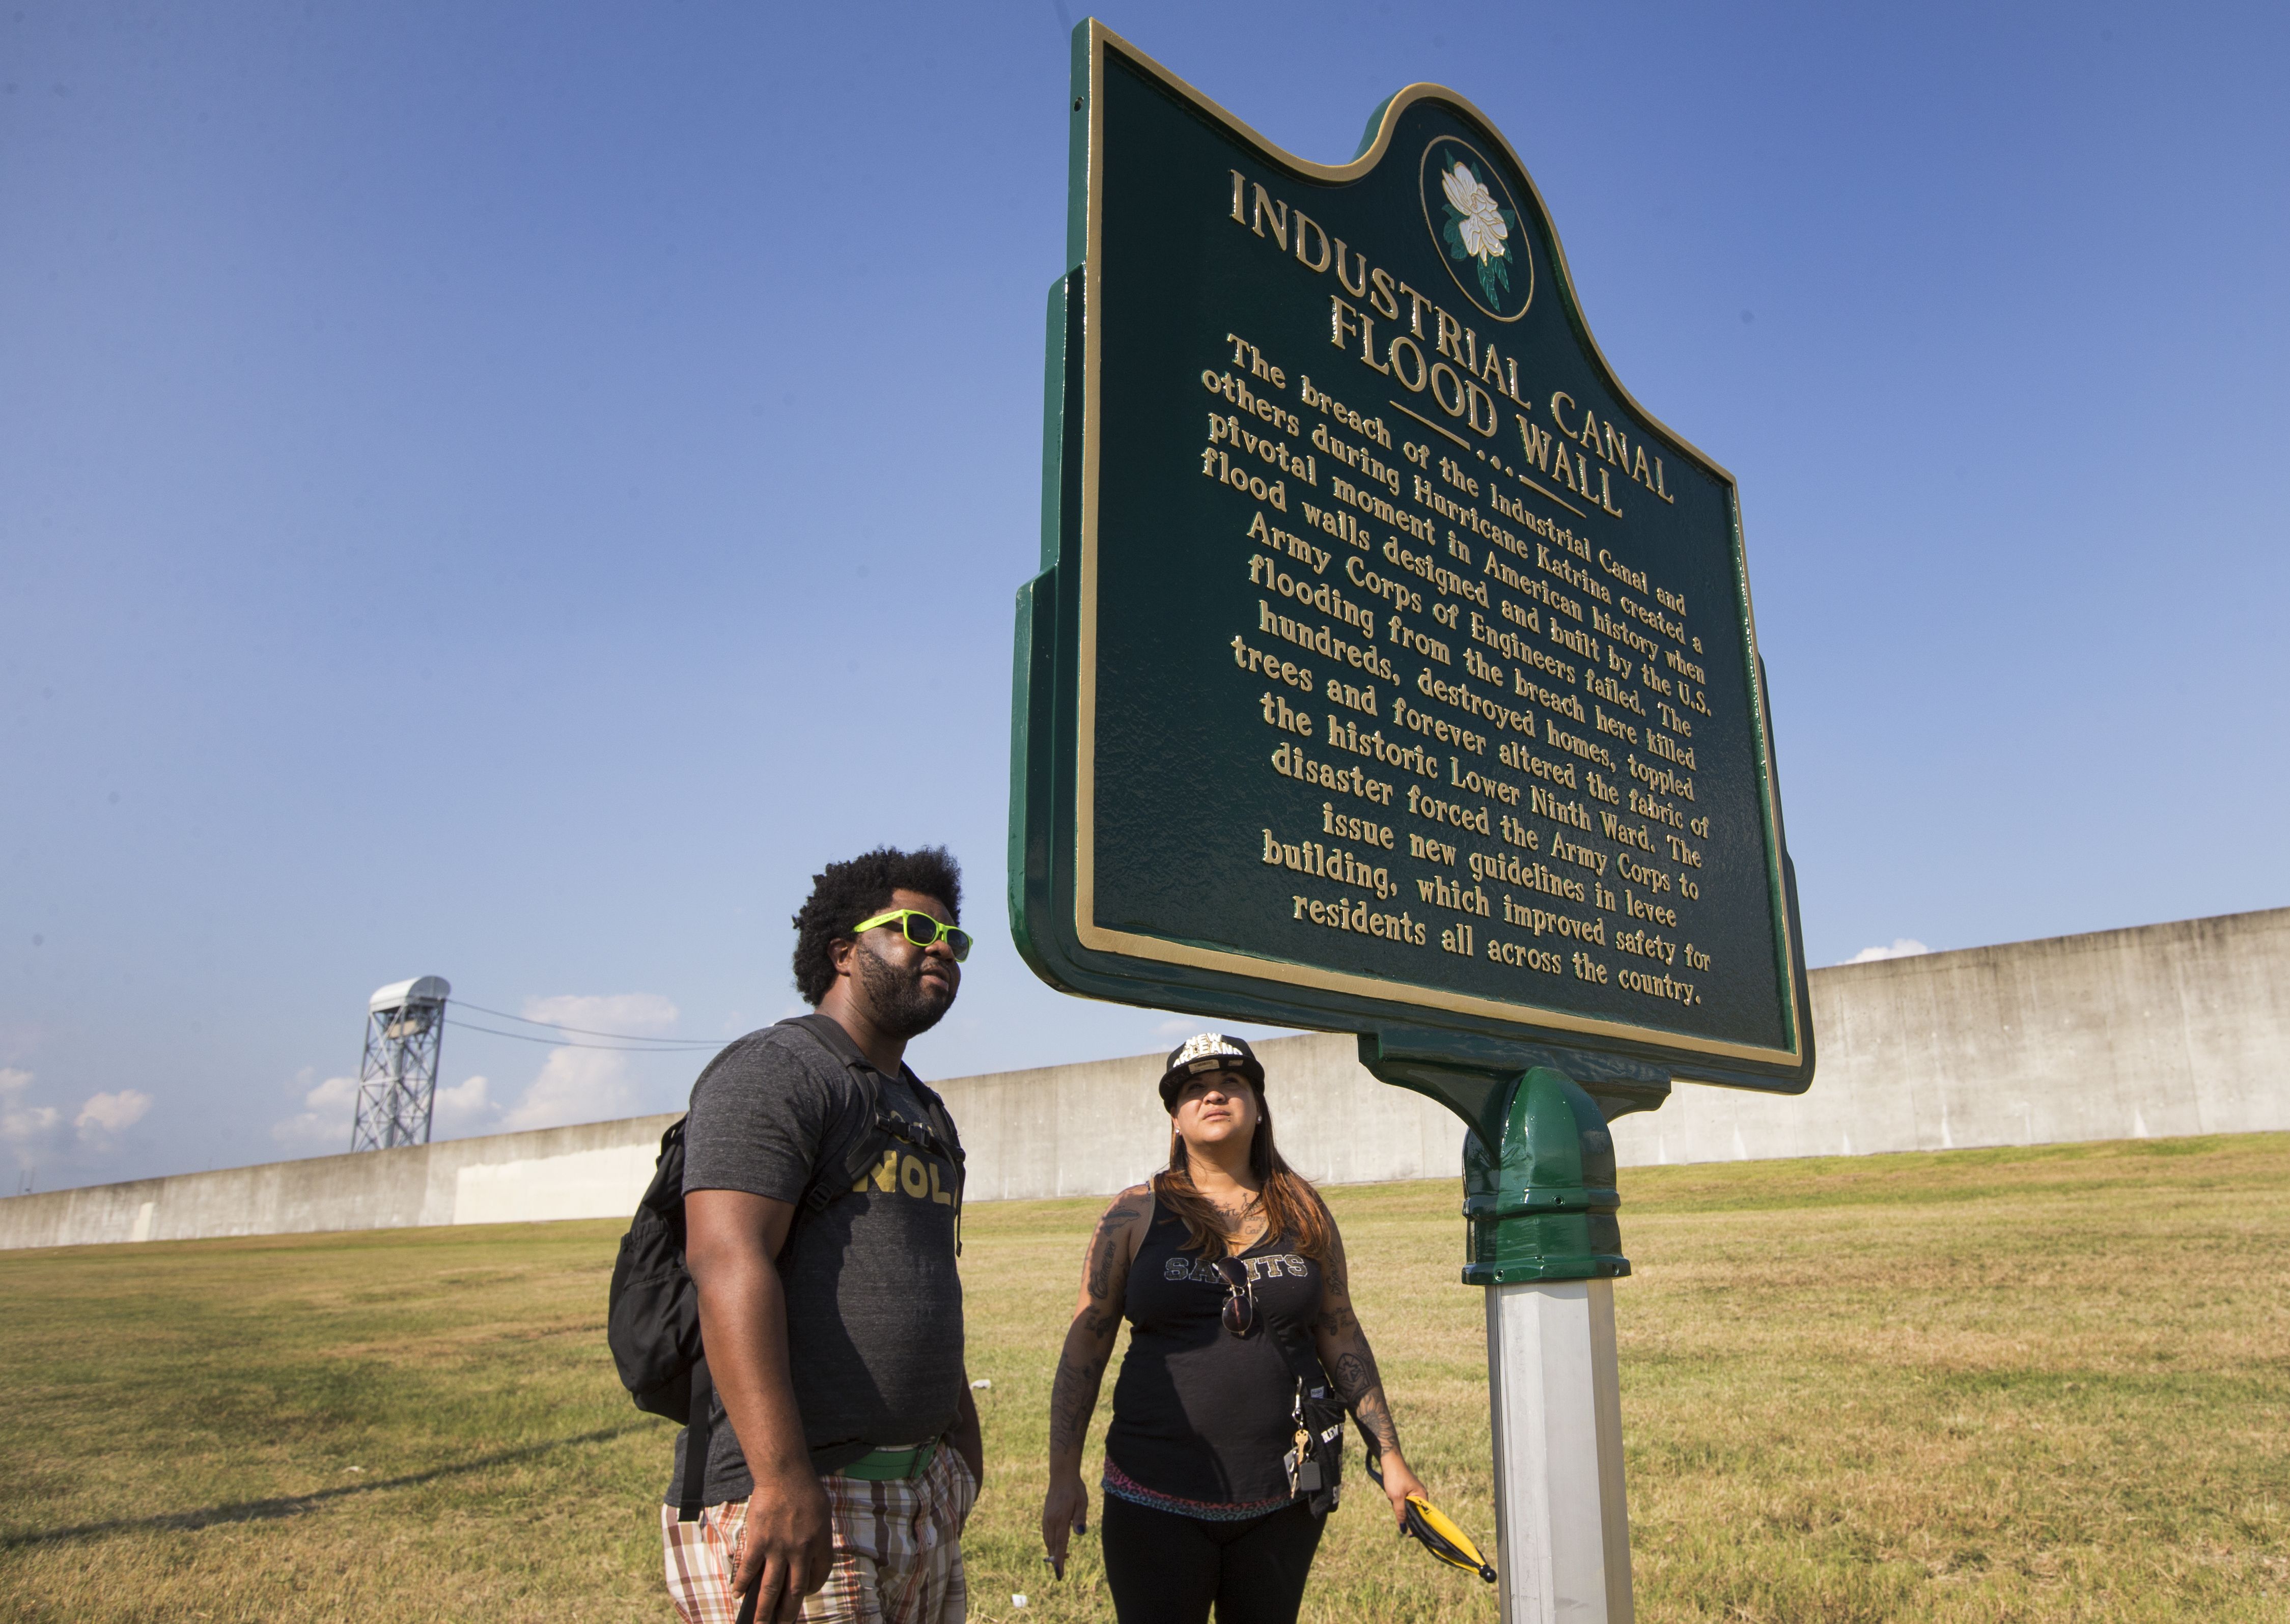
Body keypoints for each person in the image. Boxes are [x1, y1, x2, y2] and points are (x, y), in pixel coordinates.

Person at [663, 846, 983, 1624]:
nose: (941, 945)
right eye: (914, 927)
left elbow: (927, 1281)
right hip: (805, 1495)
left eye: (954, 938)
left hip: (920, 1492)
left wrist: (959, 1450)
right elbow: (725, 1257)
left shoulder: (922, 1108)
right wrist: (779, 1479)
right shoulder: (776, 1070)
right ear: (843, 952)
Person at [1040, 1033, 1430, 1623]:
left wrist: (1391, 1454)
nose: (1213, 1094)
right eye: (1193, 1088)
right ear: (1175, 1118)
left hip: (1283, 1500)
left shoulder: (1303, 1209)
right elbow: (1086, 1344)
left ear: (1257, 1104)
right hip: (1152, 1497)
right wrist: (1062, 1475)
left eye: (1231, 1083)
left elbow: (1340, 1330)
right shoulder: (1133, 1213)